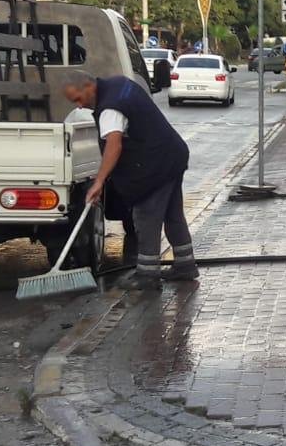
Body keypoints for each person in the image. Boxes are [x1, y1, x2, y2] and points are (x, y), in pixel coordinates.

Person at [62, 70, 197, 287]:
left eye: (78, 99)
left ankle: (147, 274)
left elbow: (114, 145)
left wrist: (99, 181)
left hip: (154, 166)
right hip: (172, 155)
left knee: (145, 217)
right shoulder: (118, 83)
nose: (79, 106)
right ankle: (185, 264)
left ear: (88, 87)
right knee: (173, 214)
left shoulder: (110, 107)